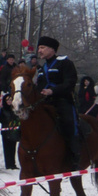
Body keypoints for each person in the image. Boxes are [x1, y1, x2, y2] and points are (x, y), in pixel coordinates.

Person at [35, 35, 81, 169]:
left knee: (68, 123)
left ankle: (74, 155)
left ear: (52, 49)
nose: (39, 51)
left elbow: (70, 83)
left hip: (62, 101)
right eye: (39, 48)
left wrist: (53, 91)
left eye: (42, 48)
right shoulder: (41, 68)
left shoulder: (65, 63)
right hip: (45, 103)